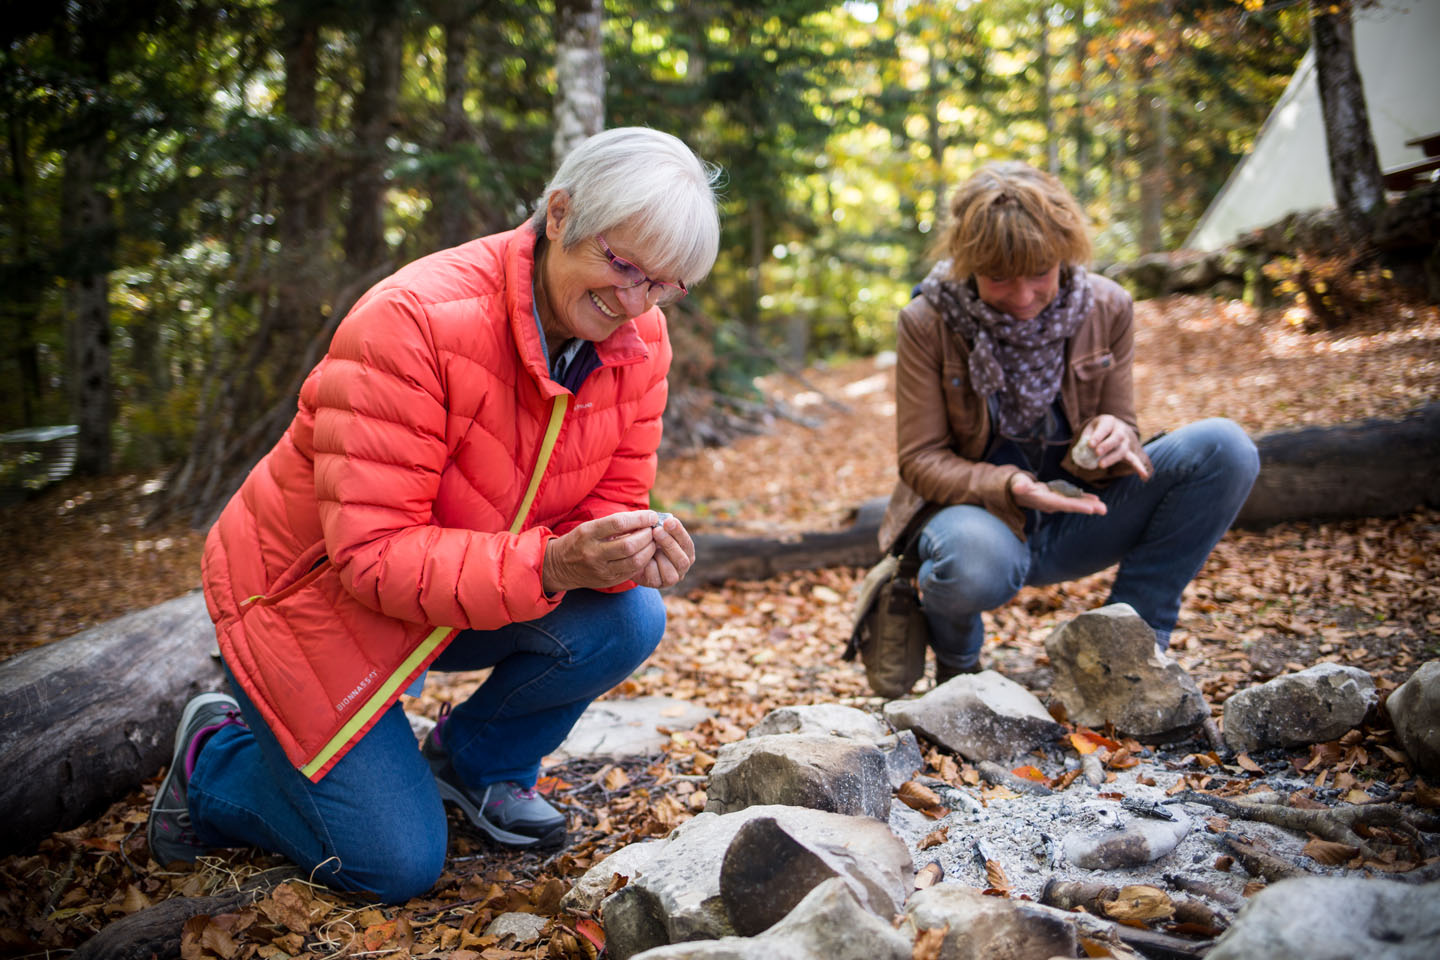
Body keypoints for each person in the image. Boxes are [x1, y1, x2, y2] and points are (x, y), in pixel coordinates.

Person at [147, 127, 722, 903]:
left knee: (629, 616)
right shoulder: (415, 320)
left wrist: (627, 548)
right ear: (560, 215)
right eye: (621, 266)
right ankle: (212, 759)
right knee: (394, 866)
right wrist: (551, 565)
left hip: (454, 592)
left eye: (663, 284)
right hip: (305, 603)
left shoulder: (640, 342)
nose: (633, 303)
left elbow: (606, 504)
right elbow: (372, 556)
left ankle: (475, 767)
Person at [879, 161, 1258, 684]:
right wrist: (1012, 486)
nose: (1023, 297)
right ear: (968, 265)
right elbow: (920, 459)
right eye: (998, 278)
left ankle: (1130, 649)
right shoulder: (927, 321)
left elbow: (1122, 418)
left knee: (1225, 447)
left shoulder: (1107, 305)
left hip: (1083, 512)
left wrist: (1116, 433)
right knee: (969, 562)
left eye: (1040, 272)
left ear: (1064, 253)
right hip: (981, 526)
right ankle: (960, 673)